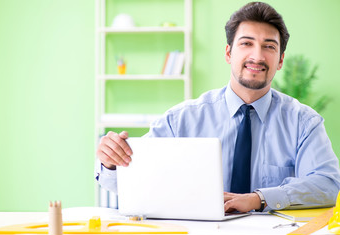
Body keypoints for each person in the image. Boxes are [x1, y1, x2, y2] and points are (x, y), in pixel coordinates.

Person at [95, 2, 340, 213]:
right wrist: (111, 161)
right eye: (246, 43)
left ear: (280, 61)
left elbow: (328, 184)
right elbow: (131, 179)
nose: (257, 56)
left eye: (269, 46)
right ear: (228, 53)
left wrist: (259, 199)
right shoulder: (181, 120)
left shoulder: (304, 122)